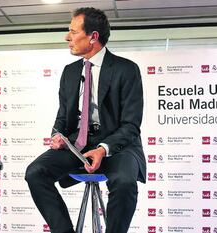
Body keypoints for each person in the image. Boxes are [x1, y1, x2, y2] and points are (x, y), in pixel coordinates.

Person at [25, 7, 146, 233]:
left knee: (125, 182)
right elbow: (62, 117)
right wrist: (57, 136)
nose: (67, 37)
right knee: (35, 172)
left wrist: (103, 149)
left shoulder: (127, 69)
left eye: (72, 31)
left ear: (93, 37)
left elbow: (131, 125)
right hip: (78, 145)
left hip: (117, 147)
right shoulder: (70, 72)